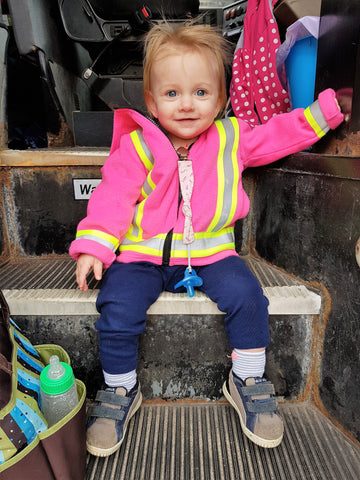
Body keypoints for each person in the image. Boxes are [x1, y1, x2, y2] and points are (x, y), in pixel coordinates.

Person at [69, 20, 345, 456]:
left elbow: (277, 135)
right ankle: (120, 389)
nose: (186, 105)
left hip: (211, 252)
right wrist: (95, 246)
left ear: (220, 100)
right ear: (151, 101)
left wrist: (324, 113)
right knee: (116, 305)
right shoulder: (138, 146)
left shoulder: (232, 138)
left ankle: (248, 380)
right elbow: (113, 196)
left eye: (201, 92)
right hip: (143, 255)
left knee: (248, 295)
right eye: (172, 93)